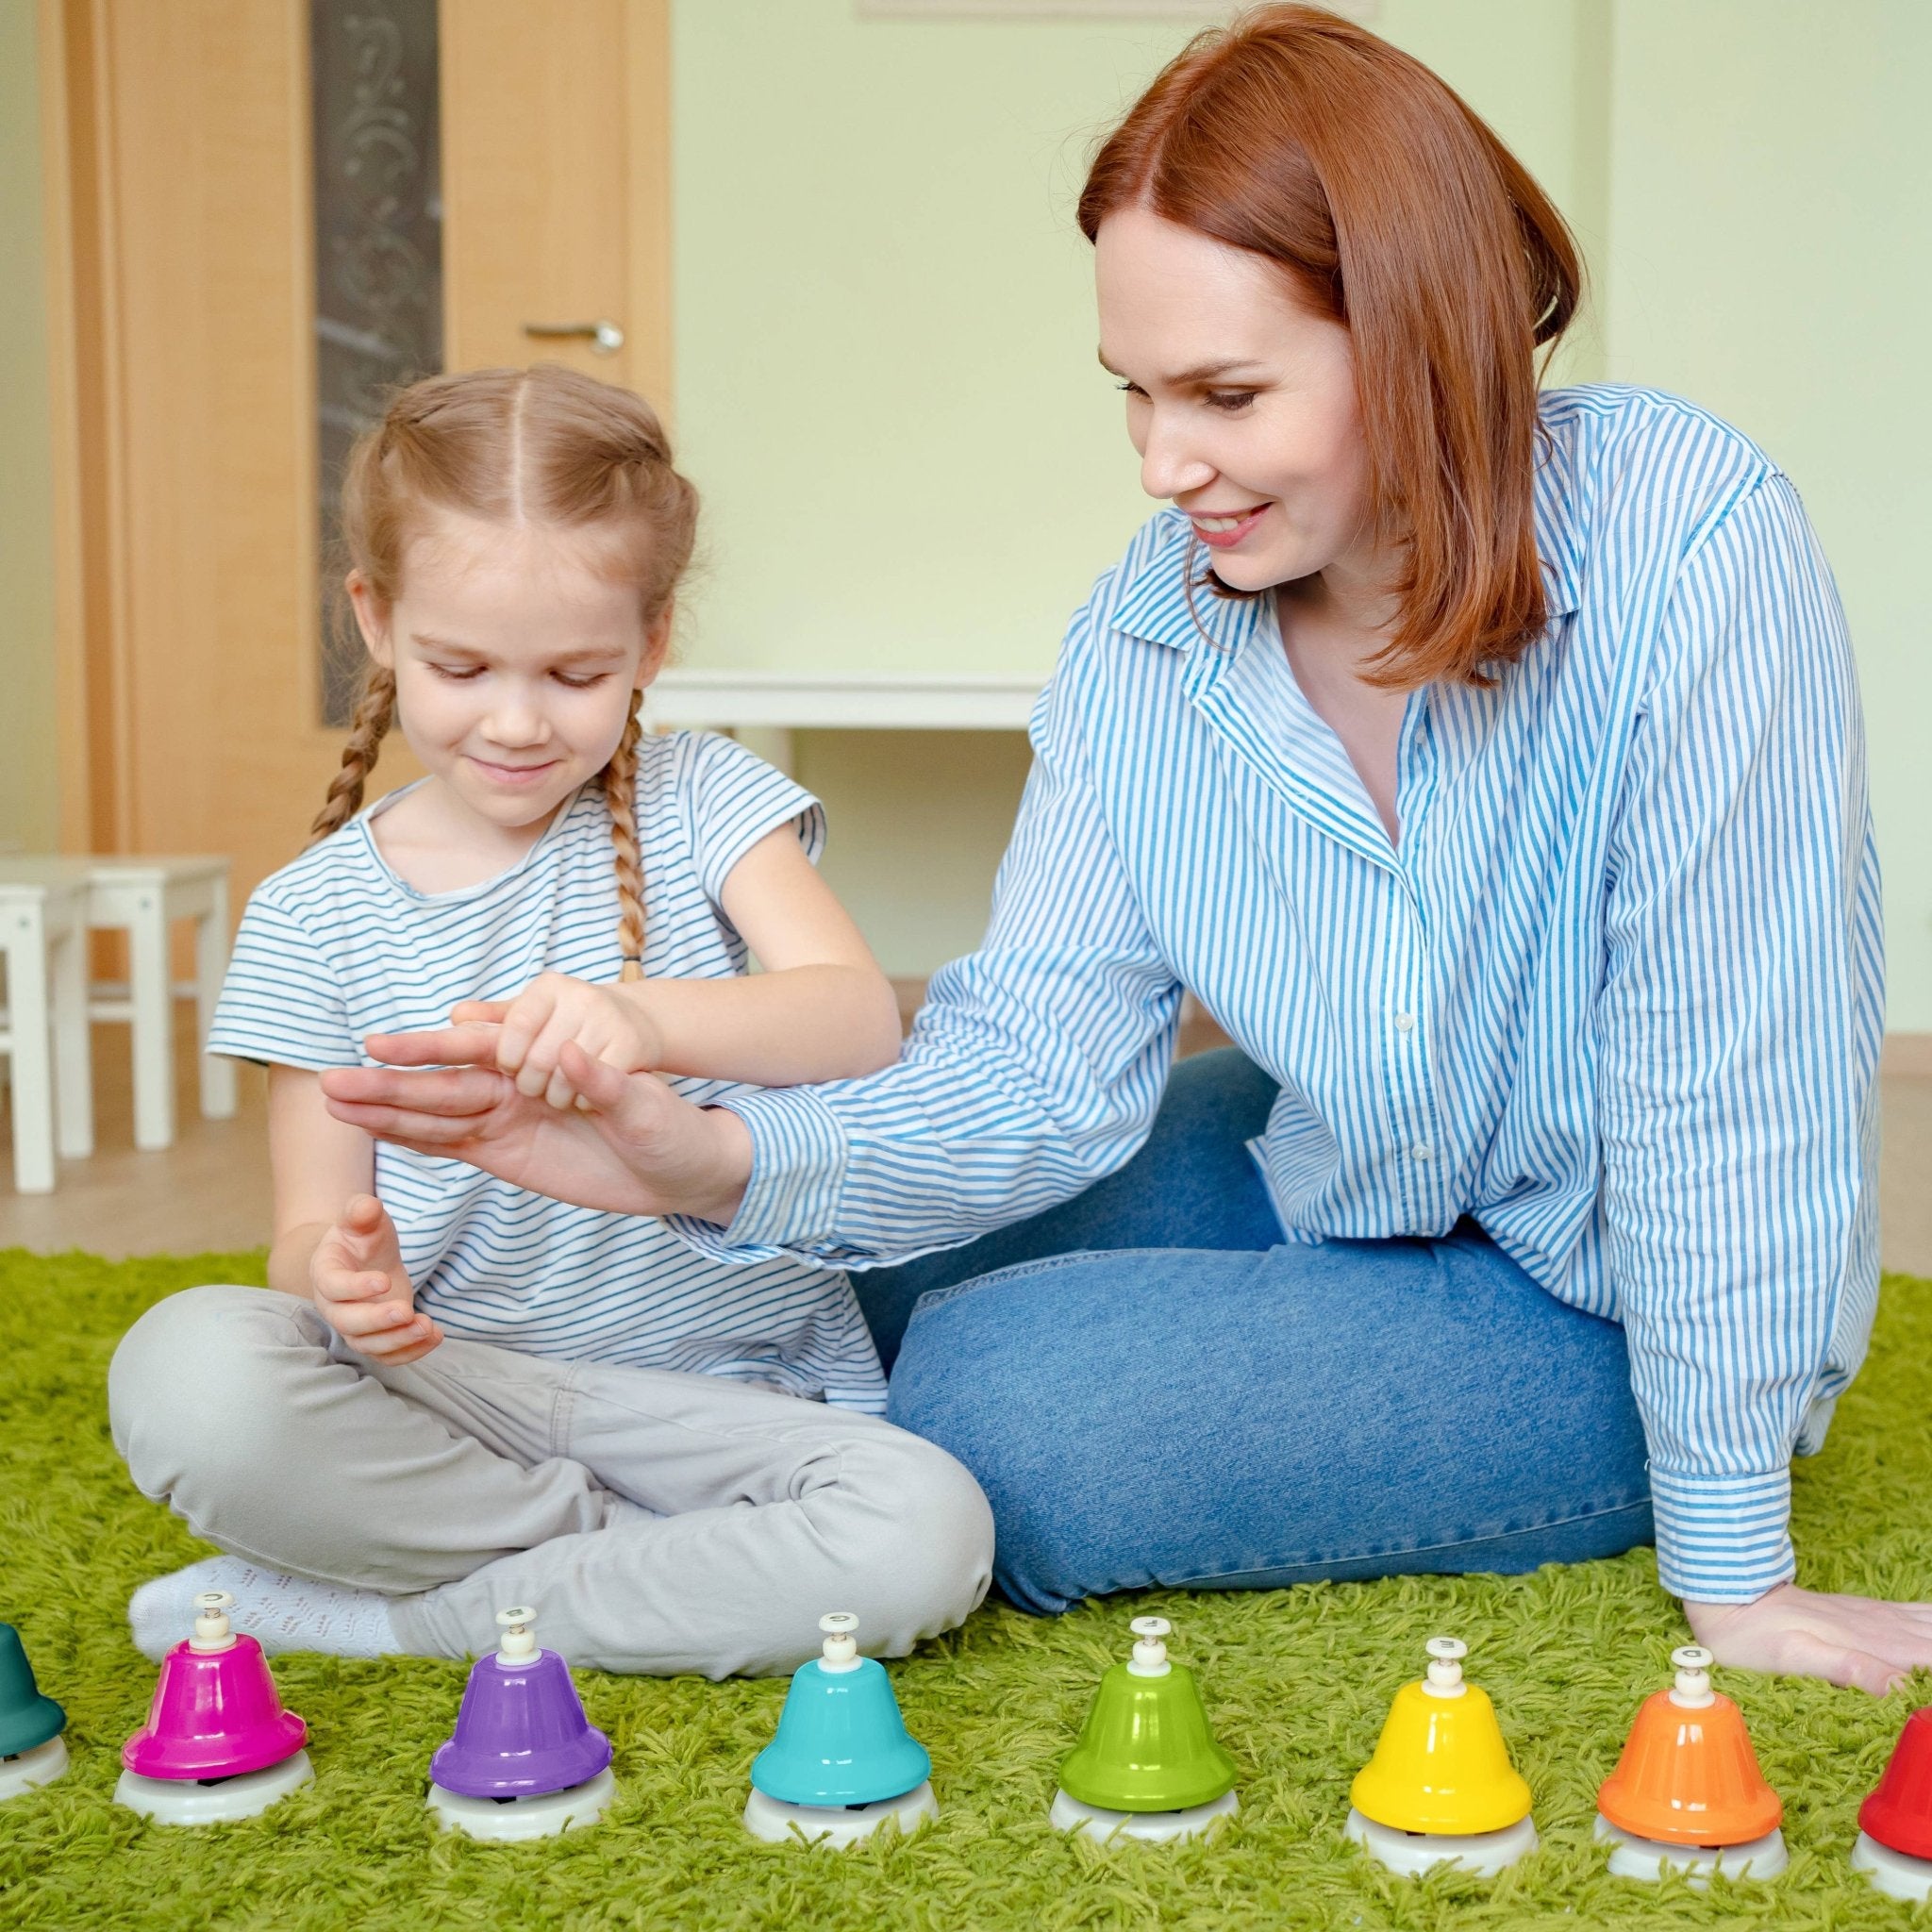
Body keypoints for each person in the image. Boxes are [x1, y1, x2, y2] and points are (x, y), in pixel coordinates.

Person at [321, 9, 1930, 1693]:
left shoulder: (1693, 541)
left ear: (1426, 334)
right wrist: (706, 1160)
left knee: (999, 1411)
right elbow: (1030, 1055)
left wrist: (1736, 1566)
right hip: (1357, 1162)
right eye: (1139, 396)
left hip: (1597, 1288)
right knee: (832, 1278)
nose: (1168, 466)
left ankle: (543, 1558)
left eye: (1227, 394)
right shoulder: (1144, 639)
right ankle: (561, 1447)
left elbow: (1729, 1079)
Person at [107, 365, 992, 1677]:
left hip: (732, 1406)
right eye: (462, 667)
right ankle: (630, 1569)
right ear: (377, 619)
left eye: (578, 673)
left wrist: (640, 1016)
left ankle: (396, 1617)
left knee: (928, 1530)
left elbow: (856, 1019)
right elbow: (304, 1228)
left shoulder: (708, 799)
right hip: (467, 1395)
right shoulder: (309, 915)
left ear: (654, 641)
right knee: (184, 1369)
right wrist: (337, 1283)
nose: (517, 722)